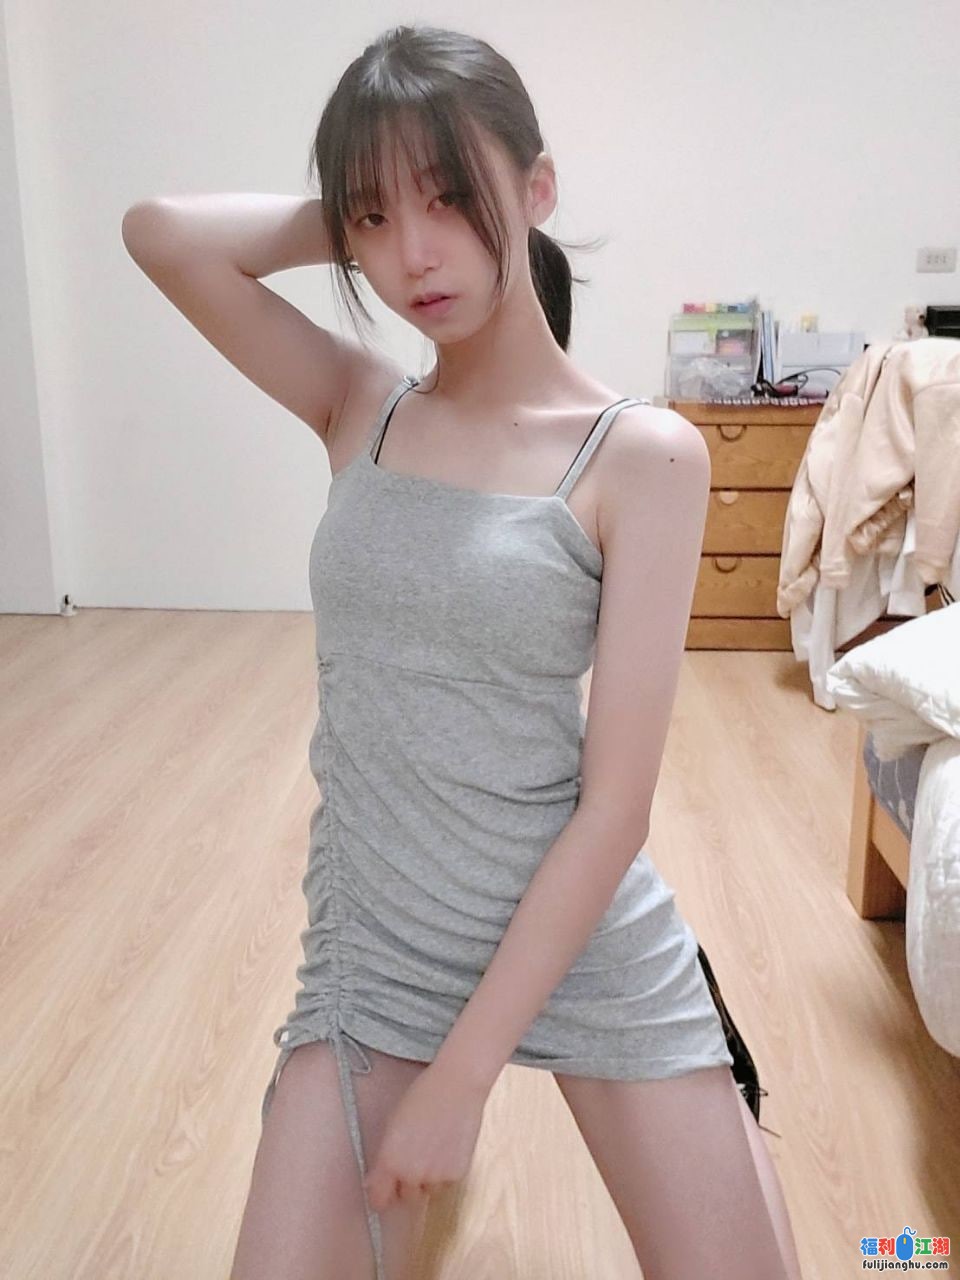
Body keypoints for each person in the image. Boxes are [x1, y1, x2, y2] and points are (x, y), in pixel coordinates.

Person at [122, 23, 803, 1280]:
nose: (412, 255)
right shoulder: (361, 402)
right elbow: (160, 233)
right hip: (379, 949)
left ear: (537, 189)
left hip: (577, 933)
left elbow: (616, 807)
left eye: (451, 198)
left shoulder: (639, 453)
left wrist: (463, 1079)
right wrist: (372, 197)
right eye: (376, 220)